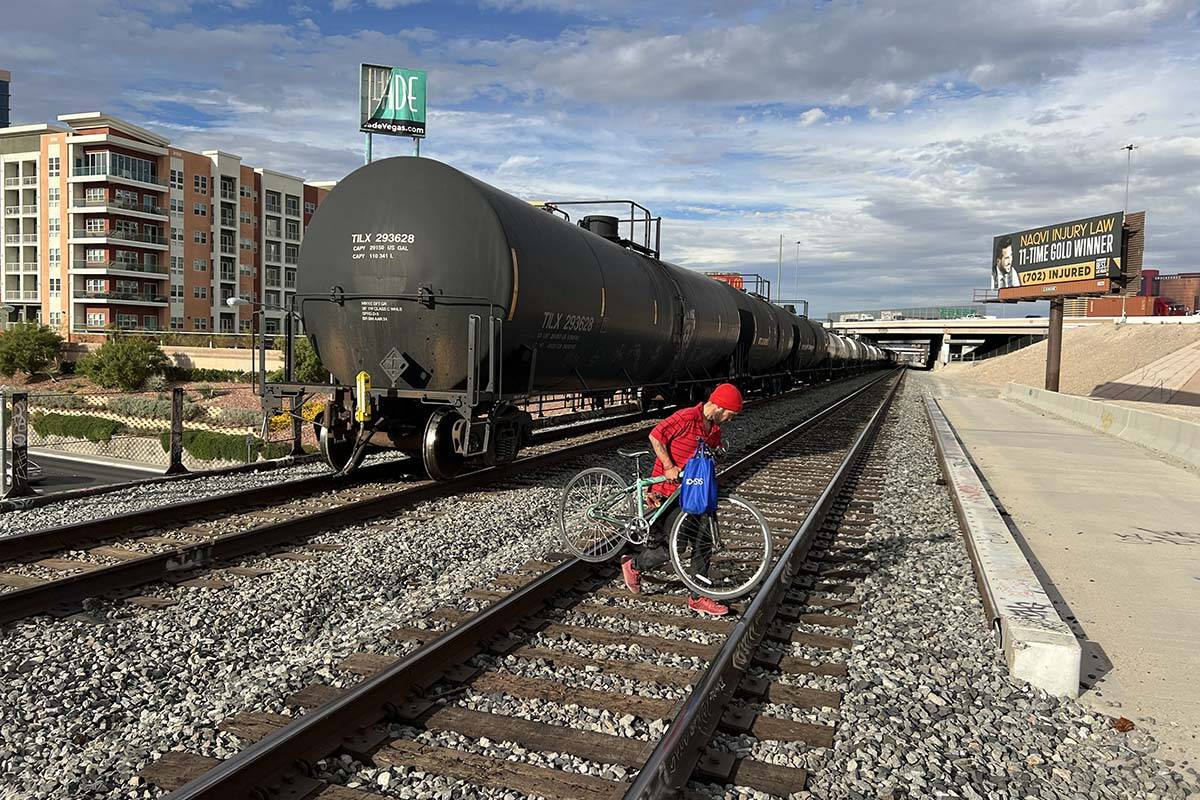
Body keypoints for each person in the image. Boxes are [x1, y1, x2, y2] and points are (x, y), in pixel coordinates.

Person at [620, 382, 743, 616]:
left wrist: (717, 457)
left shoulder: (714, 429)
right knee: (672, 548)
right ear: (719, 406)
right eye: (730, 413)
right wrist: (668, 465)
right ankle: (633, 565)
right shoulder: (686, 417)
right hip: (668, 490)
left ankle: (698, 596)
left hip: (693, 491)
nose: (730, 418)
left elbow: (710, 456)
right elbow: (656, 435)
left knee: (704, 541)